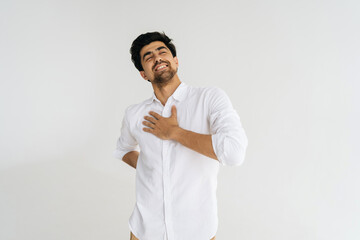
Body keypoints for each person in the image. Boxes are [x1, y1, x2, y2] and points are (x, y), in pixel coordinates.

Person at [113, 32, 248, 240]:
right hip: (144, 231)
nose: (157, 58)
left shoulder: (209, 99)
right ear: (144, 74)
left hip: (197, 232)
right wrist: (149, 167)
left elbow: (234, 152)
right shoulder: (135, 114)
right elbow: (124, 149)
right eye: (148, 57)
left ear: (175, 61)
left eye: (162, 52)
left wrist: (175, 133)